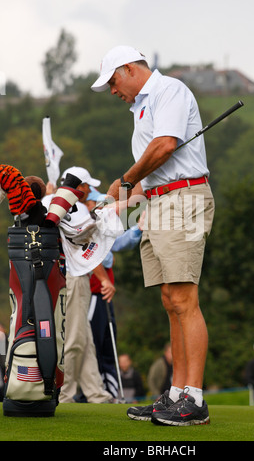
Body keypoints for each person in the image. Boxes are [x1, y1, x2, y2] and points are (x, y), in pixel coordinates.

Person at [91, 45, 215, 426]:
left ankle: (193, 398)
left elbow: (165, 146)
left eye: (113, 81)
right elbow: (149, 182)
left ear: (129, 69)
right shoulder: (140, 108)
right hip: (159, 203)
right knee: (169, 299)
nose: (113, 90)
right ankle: (176, 394)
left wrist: (125, 182)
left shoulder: (169, 91)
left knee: (183, 296)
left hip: (185, 200)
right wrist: (116, 205)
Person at [51, 166, 114, 404]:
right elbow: (86, 251)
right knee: (75, 338)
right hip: (74, 276)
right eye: (87, 186)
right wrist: (105, 278)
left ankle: (96, 393)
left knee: (85, 339)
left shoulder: (56, 202)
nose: (90, 190)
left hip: (66, 276)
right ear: (79, 188)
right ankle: (64, 394)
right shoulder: (76, 208)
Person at [85, 188, 144, 398]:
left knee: (108, 341)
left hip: (103, 294)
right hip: (92, 292)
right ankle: (92, 389)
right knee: (93, 342)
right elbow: (95, 255)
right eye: (98, 204)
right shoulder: (85, 223)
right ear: (88, 204)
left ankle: (109, 388)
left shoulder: (102, 226)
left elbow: (117, 244)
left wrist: (138, 229)